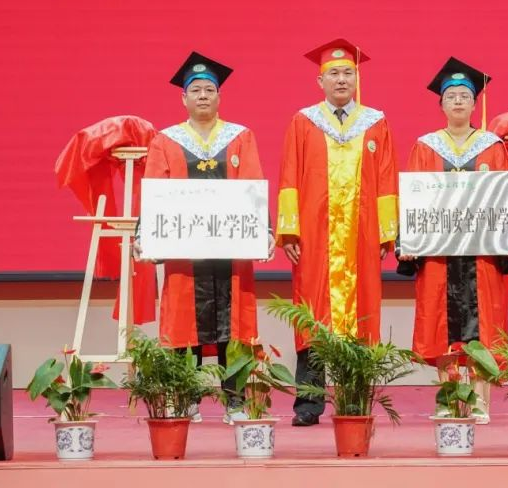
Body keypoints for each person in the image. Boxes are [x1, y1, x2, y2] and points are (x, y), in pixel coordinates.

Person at [139, 51, 268, 424]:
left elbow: (253, 185)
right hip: (186, 255)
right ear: (183, 98)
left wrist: (263, 231)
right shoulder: (166, 140)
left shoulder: (240, 137)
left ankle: (235, 402)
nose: (203, 96)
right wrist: (146, 234)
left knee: (235, 324)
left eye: (209, 90)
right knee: (184, 324)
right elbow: (155, 190)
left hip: (232, 252)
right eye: (195, 90)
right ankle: (186, 399)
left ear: (219, 96)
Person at [276, 38, 398, 426]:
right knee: (312, 312)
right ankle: (309, 405)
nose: (341, 79)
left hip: (361, 234)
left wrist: (386, 232)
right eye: (334, 74)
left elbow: (387, 177)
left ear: (357, 78)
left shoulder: (375, 122)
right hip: (315, 236)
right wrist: (289, 232)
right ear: (320, 81)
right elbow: (289, 175)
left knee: (361, 309)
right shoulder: (303, 121)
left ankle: (355, 400)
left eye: (348, 73)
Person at [400, 57, 508, 424]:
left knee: (486, 323)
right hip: (439, 254)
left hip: (482, 255)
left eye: (464, 96)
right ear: (441, 104)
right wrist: (407, 241)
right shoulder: (425, 147)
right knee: (441, 322)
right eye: (451, 96)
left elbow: (506, 199)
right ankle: (449, 398)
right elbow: (414, 200)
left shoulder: (492, 146)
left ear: (474, 104)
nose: (457, 101)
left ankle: (481, 401)